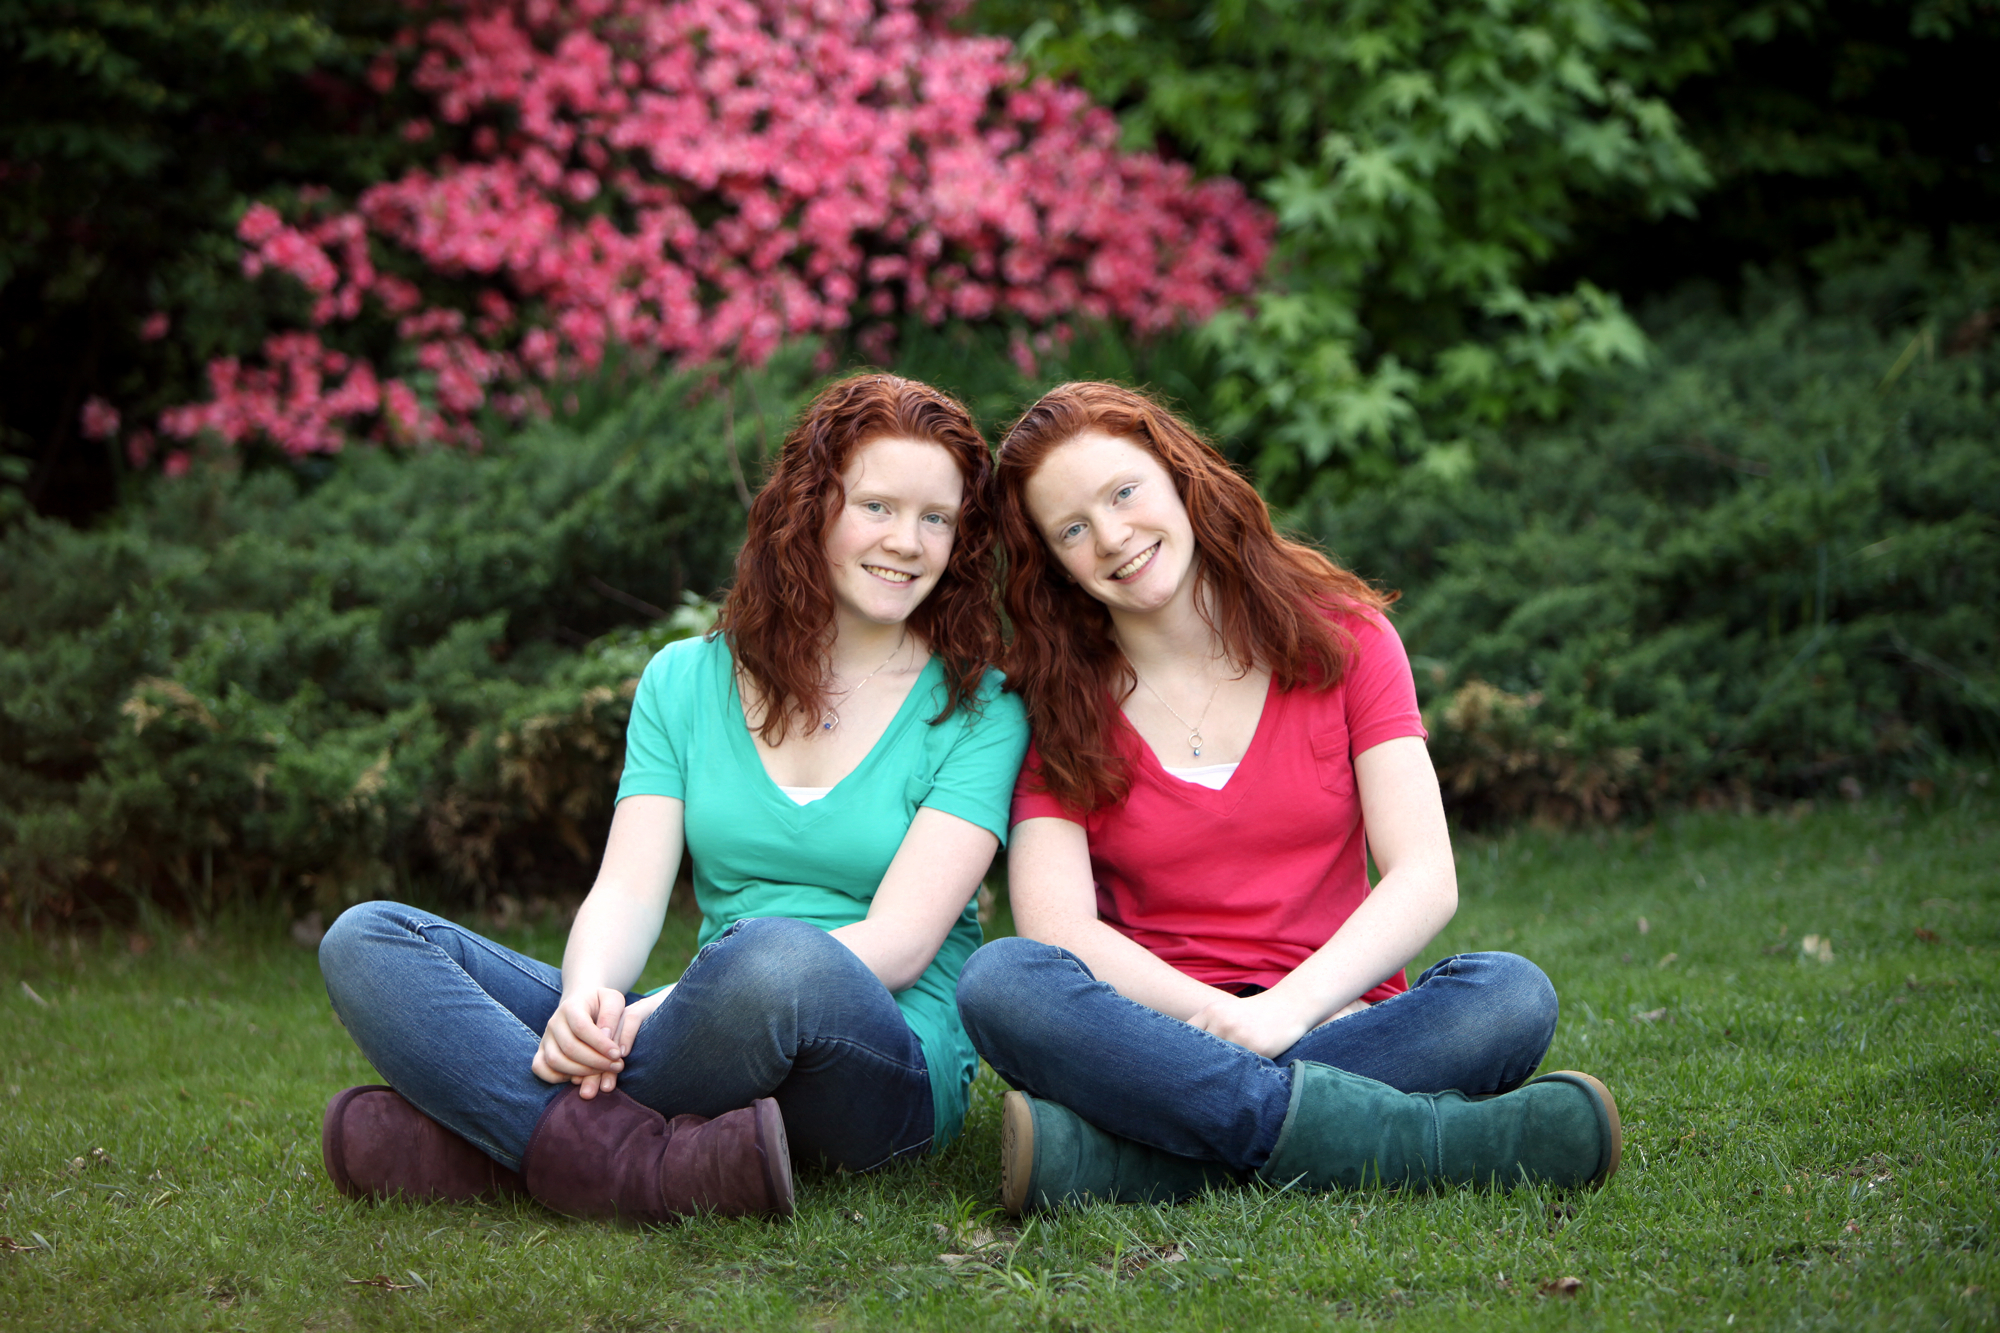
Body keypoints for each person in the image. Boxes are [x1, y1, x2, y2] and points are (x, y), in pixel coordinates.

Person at [317, 373, 1029, 1223]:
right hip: (703, 1028)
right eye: (877, 506)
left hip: (882, 1051)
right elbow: (627, 887)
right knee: (369, 938)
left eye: (936, 518)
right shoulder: (685, 681)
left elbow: (902, 945)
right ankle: (641, 1161)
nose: (907, 541)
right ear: (811, 506)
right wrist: (590, 996)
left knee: (778, 957)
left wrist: (650, 1013)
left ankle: (491, 1137)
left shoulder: (980, 707)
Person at [955, 382, 1620, 1214]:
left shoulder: (1344, 635)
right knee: (1002, 980)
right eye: (1073, 530)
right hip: (1156, 1035)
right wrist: (1222, 1021)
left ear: (1179, 475)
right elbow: (1058, 930)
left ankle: (1138, 1162)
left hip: (1343, 1018)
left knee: (1510, 996)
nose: (1114, 537)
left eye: (1124, 493)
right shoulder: (1055, 699)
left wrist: (1287, 1011)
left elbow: (1424, 875)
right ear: (1053, 562)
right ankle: (1437, 1143)